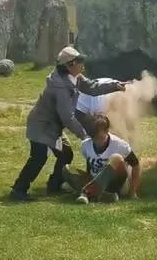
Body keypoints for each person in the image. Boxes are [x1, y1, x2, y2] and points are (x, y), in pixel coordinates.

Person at [8, 47, 126, 202]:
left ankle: (54, 185)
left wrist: (114, 85)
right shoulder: (60, 87)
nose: (82, 64)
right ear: (70, 65)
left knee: (66, 154)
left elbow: (91, 87)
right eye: (79, 61)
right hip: (41, 126)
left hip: (53, 127)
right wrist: (84, 135)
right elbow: (67, 117)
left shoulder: (74, 77)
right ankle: (18, 190)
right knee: (38, 157)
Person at [63, 113, 141, 203]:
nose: (96, 140)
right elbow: (90, 165)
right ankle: (103, 195)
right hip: (95, 180)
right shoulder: (85, 145)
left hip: (116, 183)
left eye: (99, 136)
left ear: (107, 131)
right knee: (67, 169)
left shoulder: (120, 145)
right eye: (93, 136)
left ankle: (85, 193)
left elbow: (136, 165)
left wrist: (132, 192)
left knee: (116, 158)